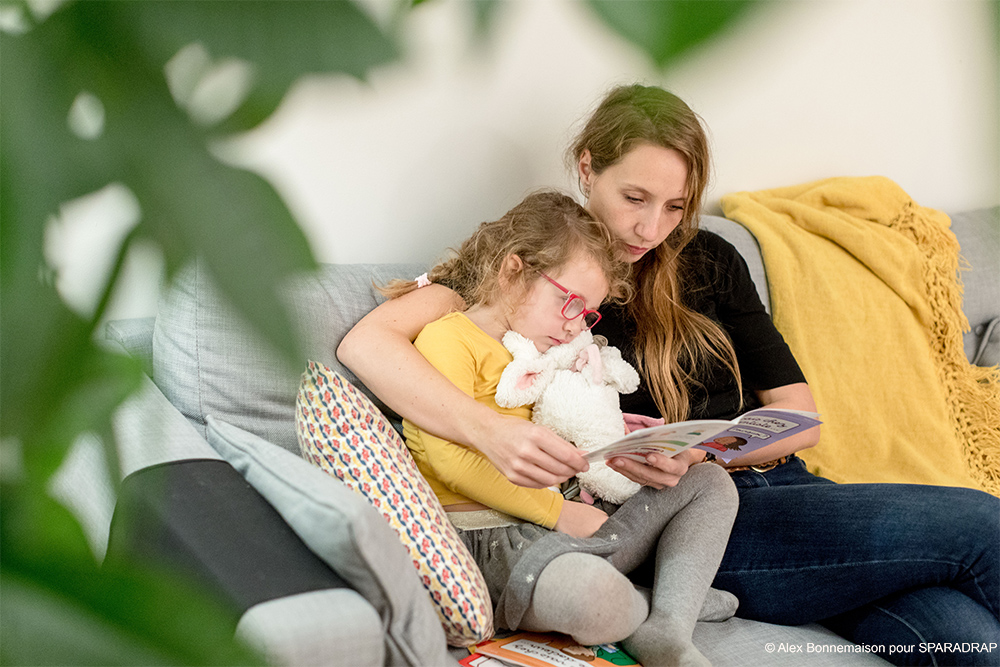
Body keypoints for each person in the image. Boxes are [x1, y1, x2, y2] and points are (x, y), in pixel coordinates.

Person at [339, 85, 1000, 665]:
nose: (649, 227)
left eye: (674, 205)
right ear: (587, 167)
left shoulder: (711, 257)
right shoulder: (543, 279)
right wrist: (491, 431)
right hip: (702, 527)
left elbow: (799, 411)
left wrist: (703, 447)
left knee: (967, 637)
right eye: (634, 197)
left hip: (784, 489)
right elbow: (369, 344)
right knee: (982, 524)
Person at [385, 190, 739, 667]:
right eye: (568, 302)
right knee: (597, 600)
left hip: (569, 521)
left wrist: (618, 441)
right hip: (493, 537)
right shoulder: (451, 337)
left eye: (587, 312)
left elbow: (565, 425)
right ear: (514, 271)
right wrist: (556, 513)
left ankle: (668, 625)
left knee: (709, 481)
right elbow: (451, 459)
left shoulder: (537, 349)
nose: (577, 326)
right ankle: (664, 602)